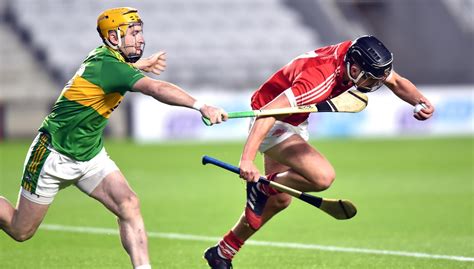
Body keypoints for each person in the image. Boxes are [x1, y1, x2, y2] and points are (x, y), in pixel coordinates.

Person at [0, 7, 227, 269]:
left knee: (128, 204)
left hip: (91, 155)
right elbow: (156, 88)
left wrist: (138, 64)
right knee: (20, 231)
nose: (140, 38)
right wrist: (202, 106)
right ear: (113, 38)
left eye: (140, 31)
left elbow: (116, 70)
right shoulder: (110, 66)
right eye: (132, 33)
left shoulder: (106, 59)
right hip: (54, 154)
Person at [203, 35, 435, 268]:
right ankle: (262, 185)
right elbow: (268, 113)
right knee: (322, 176)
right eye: (370, 80)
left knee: (280, 199)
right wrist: (247, 159)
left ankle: (222, 253)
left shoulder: (359, 56)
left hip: (295, 119)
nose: (374, 85)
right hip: (270, 120)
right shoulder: (318, 79)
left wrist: (419, 101)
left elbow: (394, 81)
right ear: (353, 68)